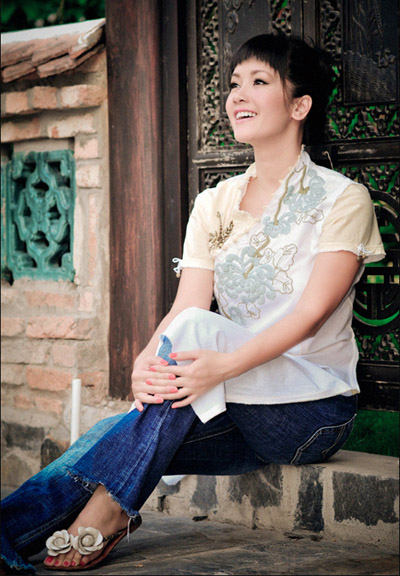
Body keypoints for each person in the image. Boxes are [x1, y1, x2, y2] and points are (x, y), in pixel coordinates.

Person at [1, 32, 385, 573]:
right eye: (234, 83)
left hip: (310, 412)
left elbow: (309, 316)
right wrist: (144, 362)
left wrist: (219, 367)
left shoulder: (343, 199)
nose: (237, 95)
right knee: (114, 436)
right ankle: (15, 531)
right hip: (236, 408)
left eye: (258, 81)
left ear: (300, 106)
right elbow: (187, 304)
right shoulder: (214, 203)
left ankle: (108, 511)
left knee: (195, 338)